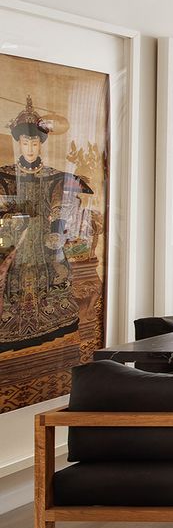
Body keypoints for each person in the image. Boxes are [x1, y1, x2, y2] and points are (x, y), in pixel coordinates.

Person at [0, 96, 93, 351]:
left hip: (46, 243)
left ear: (40, 145)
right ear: (18, 143)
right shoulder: (4, 176)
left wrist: (56, 228)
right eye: (25, 142)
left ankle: (53, 318)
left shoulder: (56, 177)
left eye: (34, 142)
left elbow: (66, 204)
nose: (30, 147)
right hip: (14, 242)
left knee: (56, 273)